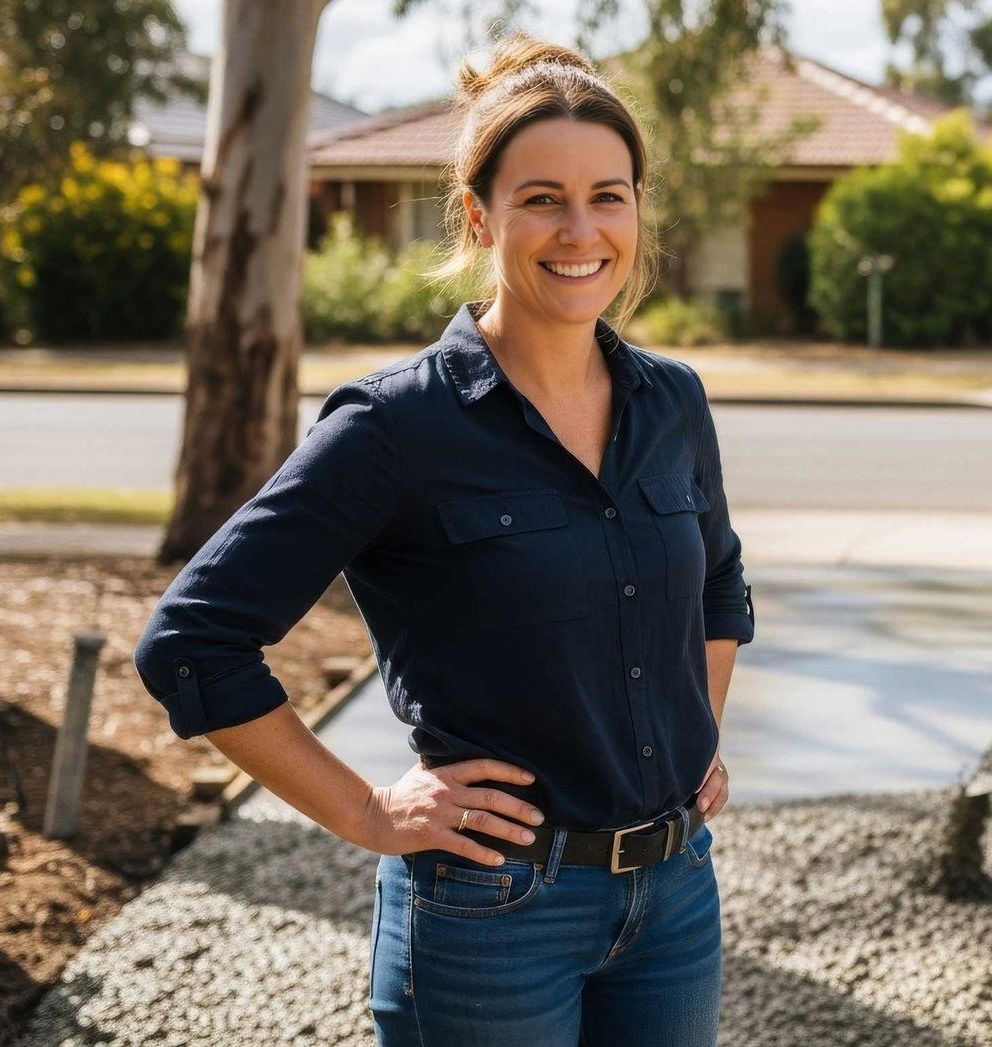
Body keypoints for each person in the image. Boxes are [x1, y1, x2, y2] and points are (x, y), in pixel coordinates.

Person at [135, 35, 752, 1046]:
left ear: (639, 208)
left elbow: (718, 587)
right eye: (541, 197)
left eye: (609, 195)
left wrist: (695, 736)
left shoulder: (672, 403)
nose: (580, 228)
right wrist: (369, 814)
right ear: (479, 215)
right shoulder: (395, 427)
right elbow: (192, 642)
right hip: (491, 916)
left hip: (676, 902)